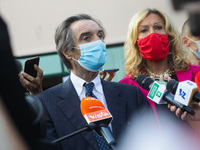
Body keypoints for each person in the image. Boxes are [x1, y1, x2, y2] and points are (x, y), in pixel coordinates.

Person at [35, 14, 149, 150]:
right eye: (87, 38)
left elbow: (153, 140)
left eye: (100, 36)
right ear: (67, 52)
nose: (98, 42)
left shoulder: (131, 94)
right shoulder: (46, 103)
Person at [119, 8, 200, 129]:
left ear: (170, 35)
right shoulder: (126, 86)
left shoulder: (196, 73)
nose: (152, 34)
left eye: (158, 27)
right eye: (144, 30)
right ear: (135, 41)